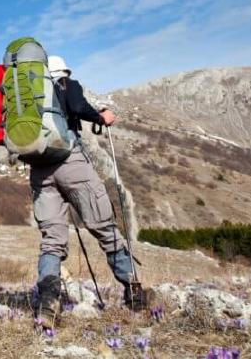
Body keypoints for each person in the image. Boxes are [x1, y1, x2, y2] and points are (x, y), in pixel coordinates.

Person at [31, 55, 145, 328]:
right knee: (104, 226)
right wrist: (101, 116)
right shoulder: (66, 85)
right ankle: (134, 291)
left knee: (52, 240)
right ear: (63, 73)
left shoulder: (31, 95)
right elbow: (78, 106)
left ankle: (48, 304)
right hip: (71, 163)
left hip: (39, 170)